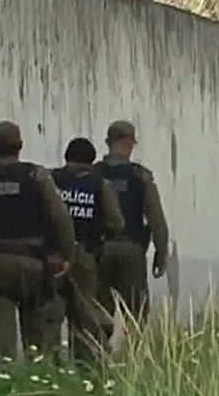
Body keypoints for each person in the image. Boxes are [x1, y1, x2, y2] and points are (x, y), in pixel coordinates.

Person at [0, 121, 75, 369]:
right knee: (38, 339)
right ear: (20, 147)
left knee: (1, 345)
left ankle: (4, 382)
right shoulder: (37, 175)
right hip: (32, 266)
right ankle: (37, 380)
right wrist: (67, 256)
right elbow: (60, 218)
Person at [48, 137, 126, 363]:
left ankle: (49, 367)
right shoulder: (100, 184)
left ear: (66, 157)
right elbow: (117, 223)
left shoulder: (50, 180)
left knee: (50, 314)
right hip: (84, 257)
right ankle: (85, 368)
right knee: (83, 316)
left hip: (52, 257)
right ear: (91, 161)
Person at [94, 121, 168, 328]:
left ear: (108, 142)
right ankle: (133, 358)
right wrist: (161, 253)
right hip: (131, 250)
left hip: (99, 251)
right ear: (130, 143)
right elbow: (156, 218)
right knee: (135, 314)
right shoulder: (141, 176)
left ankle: (97, 357)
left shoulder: (93, 174)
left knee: (98, 313)